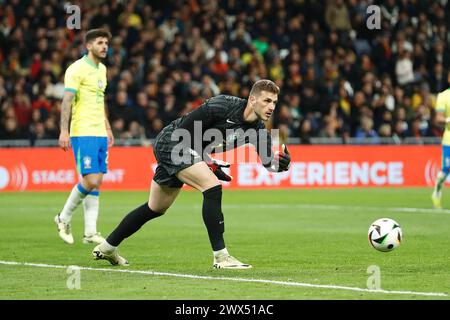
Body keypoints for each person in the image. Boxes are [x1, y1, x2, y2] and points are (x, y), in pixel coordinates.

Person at [92, 79, 291, 268]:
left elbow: (269, 164)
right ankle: (221, 257)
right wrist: (209, 162)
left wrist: (281, 164)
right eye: (267, 100)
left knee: (155, 207)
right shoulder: (222, 105)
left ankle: (108, 247)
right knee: (212, 186)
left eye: (274, 102)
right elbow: (184, 133)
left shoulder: (258, 131)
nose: (271, 106)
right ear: (252, 99)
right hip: (172, 141)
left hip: (190, 152)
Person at [54, 29, 113, 244]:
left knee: (97, 183)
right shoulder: (76, 69)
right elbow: (67, 100)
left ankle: (90, 232)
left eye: (106, 42)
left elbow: (99, 100)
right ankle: (63, 217)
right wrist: (64, 130)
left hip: (99, 132)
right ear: (89, 46)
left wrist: (107, 126)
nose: (104, 46)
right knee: (91, 180)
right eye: (100, 42)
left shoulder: (102, 69)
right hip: (83, 130)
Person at [432, 72, 450, 209]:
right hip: (449, 139)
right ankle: (437, 190)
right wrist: (447, 120)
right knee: (446, 170)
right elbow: (438, 118)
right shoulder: (443, 96)